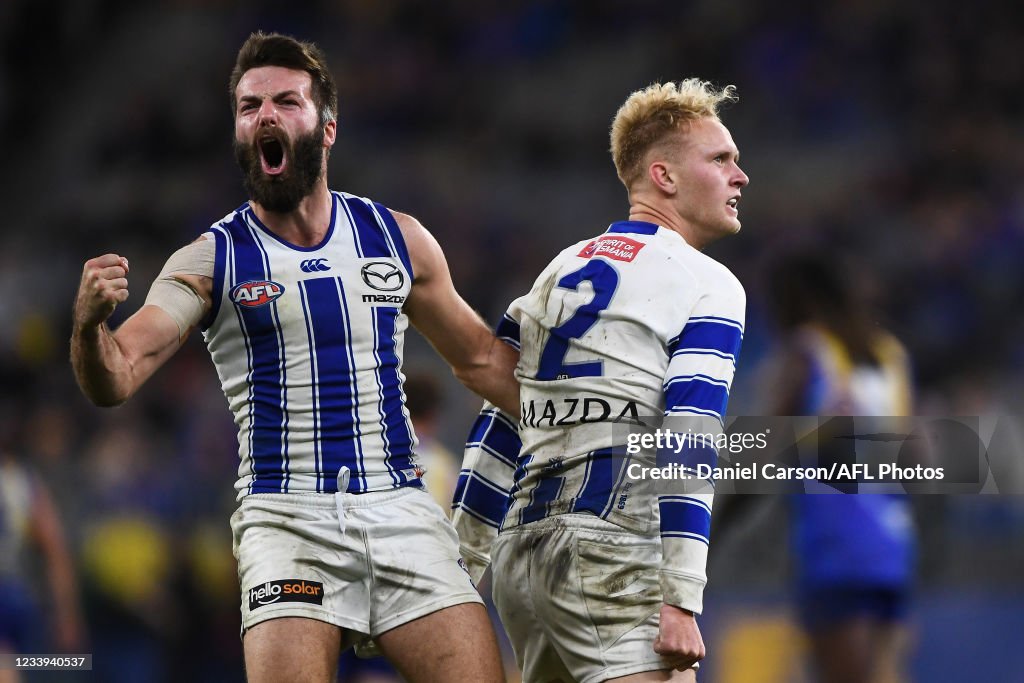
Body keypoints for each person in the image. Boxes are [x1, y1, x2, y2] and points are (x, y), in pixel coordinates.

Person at [70, 32, 518, 683]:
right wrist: (87, 328)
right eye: (250, 106)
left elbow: (480, 358)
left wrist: (579, 418)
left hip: (402, 511)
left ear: (327, 127)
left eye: (286, 100)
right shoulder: (209, 260)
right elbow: (117, 375)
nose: (266, 116)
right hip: (288, 524)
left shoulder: (398, 239)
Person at [453, 79, 749, 682]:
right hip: (615, 552)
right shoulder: (707, 281)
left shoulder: (555, 273)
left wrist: (459, 569)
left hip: (523, 557)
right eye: (720, 159)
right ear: (663, 177)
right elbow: (688, 434)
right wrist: (681, 595)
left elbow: (502, 419)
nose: (740, 176)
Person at [765, 252, 916, 683]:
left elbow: (760, 452)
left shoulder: (807, 353)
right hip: (892, 543)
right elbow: (919, 456)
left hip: (835, 547)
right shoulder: (891, 357)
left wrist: (709, 528)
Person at [0, 451, 85, 683]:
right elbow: (57, 551)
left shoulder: (20, 480)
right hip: (16, 596)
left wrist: (66, 614)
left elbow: (55, 550)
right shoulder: (20, 479)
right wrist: (67, 613)